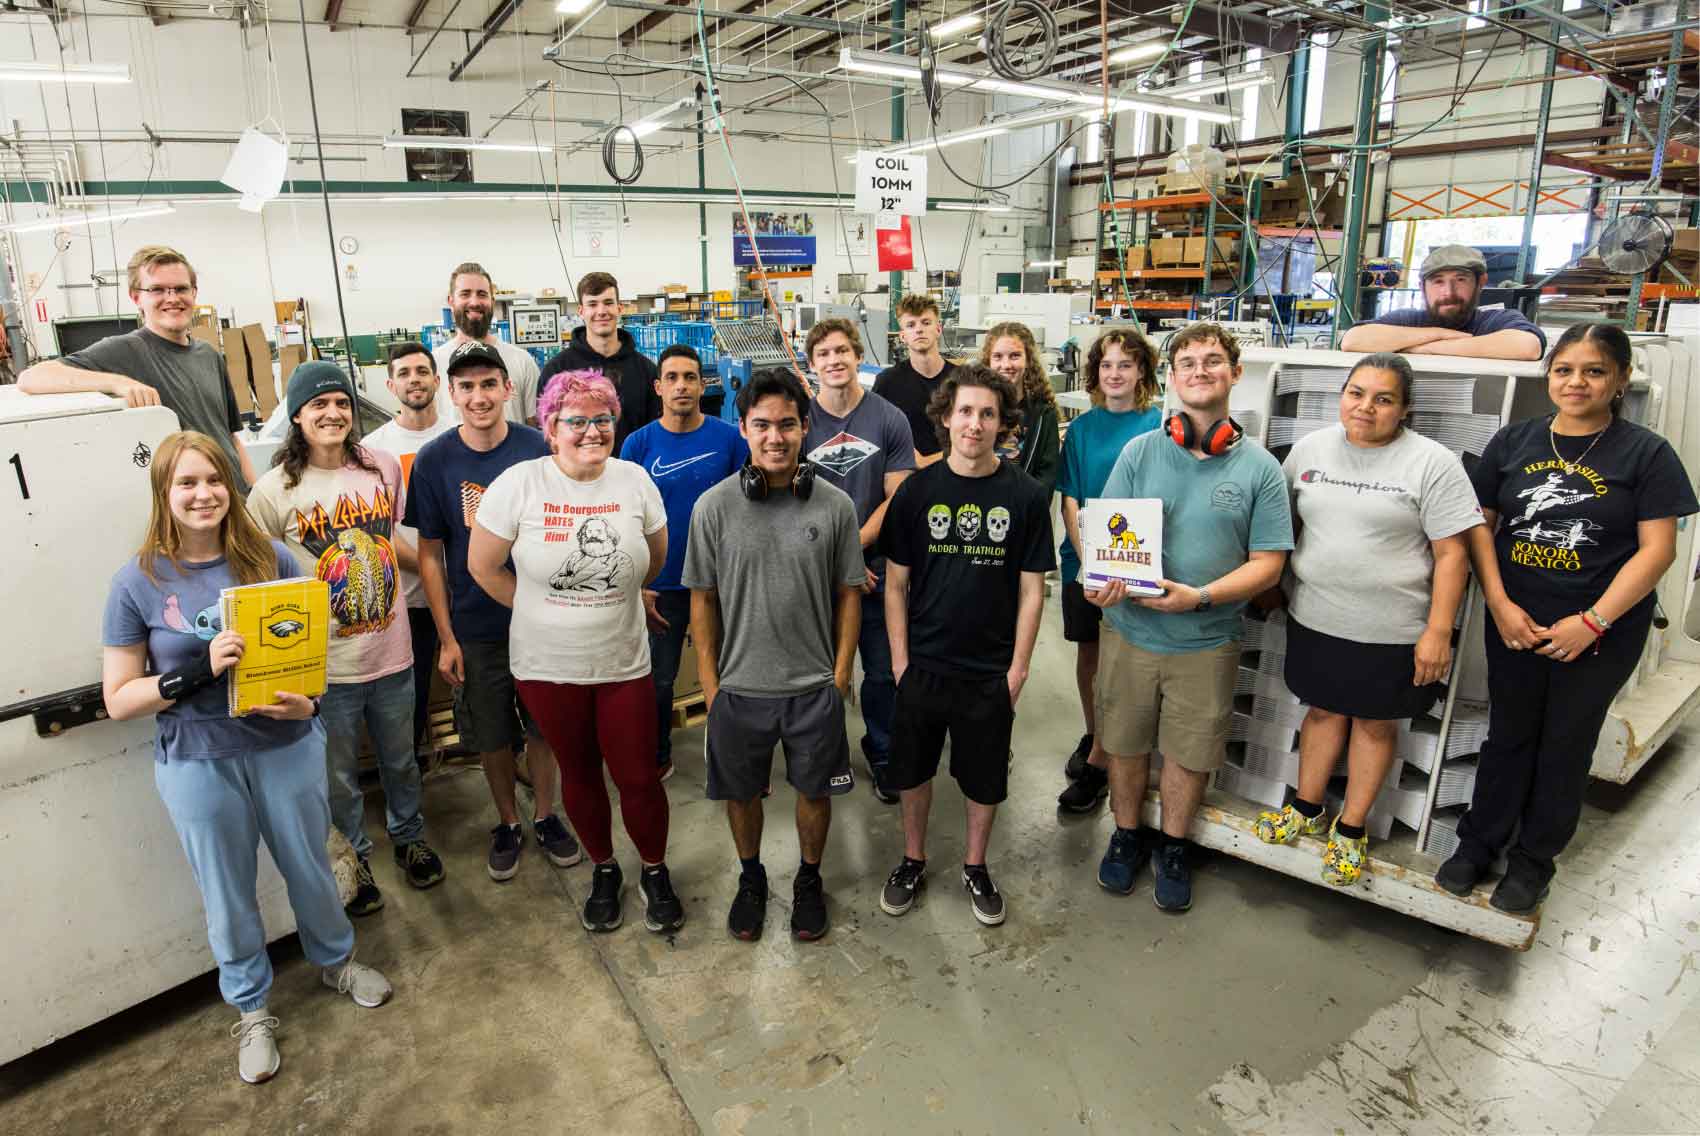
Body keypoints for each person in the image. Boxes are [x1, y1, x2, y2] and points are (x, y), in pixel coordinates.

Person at [102, 431, 392, 1086]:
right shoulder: (137, 582)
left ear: (230, 488)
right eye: (186, 483)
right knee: (227, 895)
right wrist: (193, 673)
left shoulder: (273, 558)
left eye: (213, 480)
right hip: (198, 760)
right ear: (164, 494)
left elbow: (310, 665)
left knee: (311, 868)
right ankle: (253, 1009)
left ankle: (336, 961)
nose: (202, 494)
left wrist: (306, 705)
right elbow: (119, 697)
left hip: (284, 748)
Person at [1435, 322, 1696, 912]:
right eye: (1564, 369)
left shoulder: (1646, 454)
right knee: (1508, 735)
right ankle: (1479, 843)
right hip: (1516, 620)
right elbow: (1482, 529)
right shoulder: (1514, 442)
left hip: (1600, 631)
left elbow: (1659, 550)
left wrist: (1595, 621)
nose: (1576, 382)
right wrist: (1498, 603)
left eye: (1594, 371)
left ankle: (1533, 862)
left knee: (1565, 744)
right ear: (1548, 375)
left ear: (1620, 379)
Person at [1251, 353, 1482, 885]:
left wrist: (1437, 632)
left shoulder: (1432, 462)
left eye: (1383, 399)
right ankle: (1306, 810)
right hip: (1316, 617)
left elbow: (1453, 556)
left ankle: (1350, 829)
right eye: (1356, 393)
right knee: (1323, 713)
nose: (1366, 407)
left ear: (1405, 409)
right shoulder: (1309, 450)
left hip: (1395, 631)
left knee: (1376, 725)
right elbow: (1282, 527)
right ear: (1342, 396)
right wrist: (1269, 587)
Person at [1086, 323, 1293, 912]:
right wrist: (1099, 581)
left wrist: (1199, 597)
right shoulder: (1140, 451)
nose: (1200, 371)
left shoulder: (1259, 469)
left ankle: (1173, 846)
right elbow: (1108, 537)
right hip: (1130, 633)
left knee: (1190, 750)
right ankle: (1126, 835)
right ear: (1172, 379)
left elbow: (1269, 566)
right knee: (1124, 743)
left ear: (1235, 373)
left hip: (1207, 640)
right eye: (1188, 363)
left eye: (1212, 361)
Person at [469, 369, 682, 934]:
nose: (592, 430)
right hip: (546, 668)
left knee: (637, 775)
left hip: (622, 661)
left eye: (602, 418)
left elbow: (653, 559)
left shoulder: (634, 480)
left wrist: (620, 590)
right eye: (577, 420)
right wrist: (541, 606)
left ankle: (656, 871)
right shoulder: (520, 484)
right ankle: (605, 870)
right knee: (580, 772)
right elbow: (482, 567)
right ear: (551, 427)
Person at [248, 362, 445, 917]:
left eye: (340, 403)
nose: (332, 414)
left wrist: (438, 579)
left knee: (401, 759)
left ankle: (409, 838)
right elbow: (260, 580)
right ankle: (354, 861)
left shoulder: (380, 466)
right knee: (338, 776)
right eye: (318, 405)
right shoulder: (272, 491)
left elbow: (396, 540)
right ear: (297, 416)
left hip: (392, 650)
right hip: (326, 665)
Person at [684, 368, 864, 943]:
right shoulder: (713, 509)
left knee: (815, 793)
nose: (776, 437)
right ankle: (752, 876)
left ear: (805, 428)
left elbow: (848, 596)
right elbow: (702, 604)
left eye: (788, 424)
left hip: (813, 689)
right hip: (740, 690)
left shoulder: (835, 507)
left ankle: (809, 879)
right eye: (762, 425)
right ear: (744, 429)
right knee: (741, 794)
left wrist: (838, 678)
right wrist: (712, 689)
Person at [878, 363, 1053, 925]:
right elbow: (896, 583)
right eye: (965, 412)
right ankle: (913, 857)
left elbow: (1032, 592)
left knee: (984, 779)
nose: (974, 424)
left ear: (1002, 424)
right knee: (912, 772)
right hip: (924, 666)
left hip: (988, 672)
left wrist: (1018, 670)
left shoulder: (1025, 496)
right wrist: (901, 663)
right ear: (946, 419)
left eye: (987, 413)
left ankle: (975, 866)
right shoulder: (916, 492)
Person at [405, 342, 578, 882]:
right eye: (467, 387)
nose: (479, 397)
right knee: (493, 732)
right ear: (450, 393)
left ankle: (547, 815)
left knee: (545, 725)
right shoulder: (434, 460)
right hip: (476, 627)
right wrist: (446, 637)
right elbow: (430, 555)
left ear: (508, 389)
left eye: (488, 384)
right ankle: (508, 821)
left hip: (544, 617)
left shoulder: (538, 448)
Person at [19, 245, 259, 491]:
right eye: (157, 289)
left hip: (237, 499)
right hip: (196, 507)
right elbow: (31, 377)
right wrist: (119, 383)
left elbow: (230, 437)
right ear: (136, 297)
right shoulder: (126, 351)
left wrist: (256, 495)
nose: (172, 298)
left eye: (181, 288)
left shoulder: (209, 355)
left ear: (194, 293)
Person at [802, 317, 916, 803]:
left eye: (843, 351)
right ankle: (823, 751)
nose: (835, 361)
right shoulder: (800, 421)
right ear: (812, 365)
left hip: (876, 571)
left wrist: (853, 553)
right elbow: (790, 501)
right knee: (816, 669)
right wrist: (832, 563)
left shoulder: (889, 418)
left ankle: (884, 747)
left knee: (884, 669)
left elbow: (899, 495)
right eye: (824, 353)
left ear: (856, 355)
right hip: (814, 573)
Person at [619, 344, 746, 780]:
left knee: (734, 673)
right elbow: (623, 518)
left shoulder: (730, 440)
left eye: (690, 377)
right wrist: (639, 583)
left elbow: (751, 507)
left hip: (721, 581)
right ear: (658, 387)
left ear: (702, 384)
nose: (681, 386)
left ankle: (735, 754)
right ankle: (657, 755)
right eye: (671, 378)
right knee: (658, 682)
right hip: (663, 587)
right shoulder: (637, 445)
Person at [1055, 329, 1165, 813]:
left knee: (1130, 661)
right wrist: (1092, 564)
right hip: (1086, 564)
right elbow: (1071, 501)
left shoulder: (1162, 424)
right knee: (1091, 655)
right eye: (1106, 365)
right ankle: (1095, 733)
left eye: (1125, 364)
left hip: (1138, 564)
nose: (1115, 373)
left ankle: (1109, 755)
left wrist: (1118, 565)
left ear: (1142, 370)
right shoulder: (1081, 429)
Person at [365, 342, 455, 754]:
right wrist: (431, 565)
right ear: (389, 384)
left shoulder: (460, 434)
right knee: (412, 694)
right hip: (411, 597)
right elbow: (376, 530)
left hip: (470, 587)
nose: (414, 379)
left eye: (422, 371)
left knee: (487, 684)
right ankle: (414, 773)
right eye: (404, 373)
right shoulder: (372, 450)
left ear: (437, 380)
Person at [1339, 245, 1545, 360]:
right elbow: (1352, 340)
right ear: (1422, 287)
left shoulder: (1495, 321)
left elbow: (1528, 347)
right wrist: (1439, 334)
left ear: (1480, 283)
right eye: (1438, 282)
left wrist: (1424, 349)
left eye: (1460, 280)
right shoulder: (1409, 320)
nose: (1448, 292)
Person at [539, 271, 661, 450]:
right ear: (581, 311)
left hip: (633, 474)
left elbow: (655, 431)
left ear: (620, 308)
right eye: (592, 304)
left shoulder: (646, 370)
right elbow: (549, 433)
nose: (601, 311)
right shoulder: (557, 370)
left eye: (608, 303)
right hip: (576, 475)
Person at [431, 262, 542, 426]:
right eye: (465, 294)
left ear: (492, 301)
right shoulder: (433, 364)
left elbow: (535, 426)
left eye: (482, 294)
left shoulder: (522, 361)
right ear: (451, 301)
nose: (474, 302)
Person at [874, 293, 957, 468]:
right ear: (902, 336)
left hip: (957, 472)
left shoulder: (962, 380)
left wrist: (926, 462)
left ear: (938, 329)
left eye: (926, 323)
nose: (919, 329)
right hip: (907, 475)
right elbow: (876, 434)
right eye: (911, 325)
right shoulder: (887, 382)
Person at [980, 321, 1061, 496]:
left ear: (1028, 360)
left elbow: (1047, 475)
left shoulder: (1042, 414)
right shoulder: (976, 409)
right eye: (998, 356)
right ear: (988, 361)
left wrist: (1027, 507)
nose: (1006, 365)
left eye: (1015, 356)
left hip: (1024, 512)